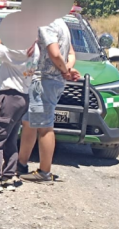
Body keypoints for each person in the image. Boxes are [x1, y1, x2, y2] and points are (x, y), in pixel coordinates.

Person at [17, 18, 80, 183]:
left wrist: (65, 70)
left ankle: (44, 171)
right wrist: (67, 69)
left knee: (44, 126)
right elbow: (71, 54)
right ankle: (20, 164)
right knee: (29, 123)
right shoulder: (62, 24)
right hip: (51, 81)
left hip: (43, 81)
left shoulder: (47, 24)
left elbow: (54, 53)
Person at [0, 36, 39, 193]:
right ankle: (8, 176)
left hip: (9, 95)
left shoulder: (18, 48)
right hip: (22, 96)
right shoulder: (34, 48)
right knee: (10, 139)